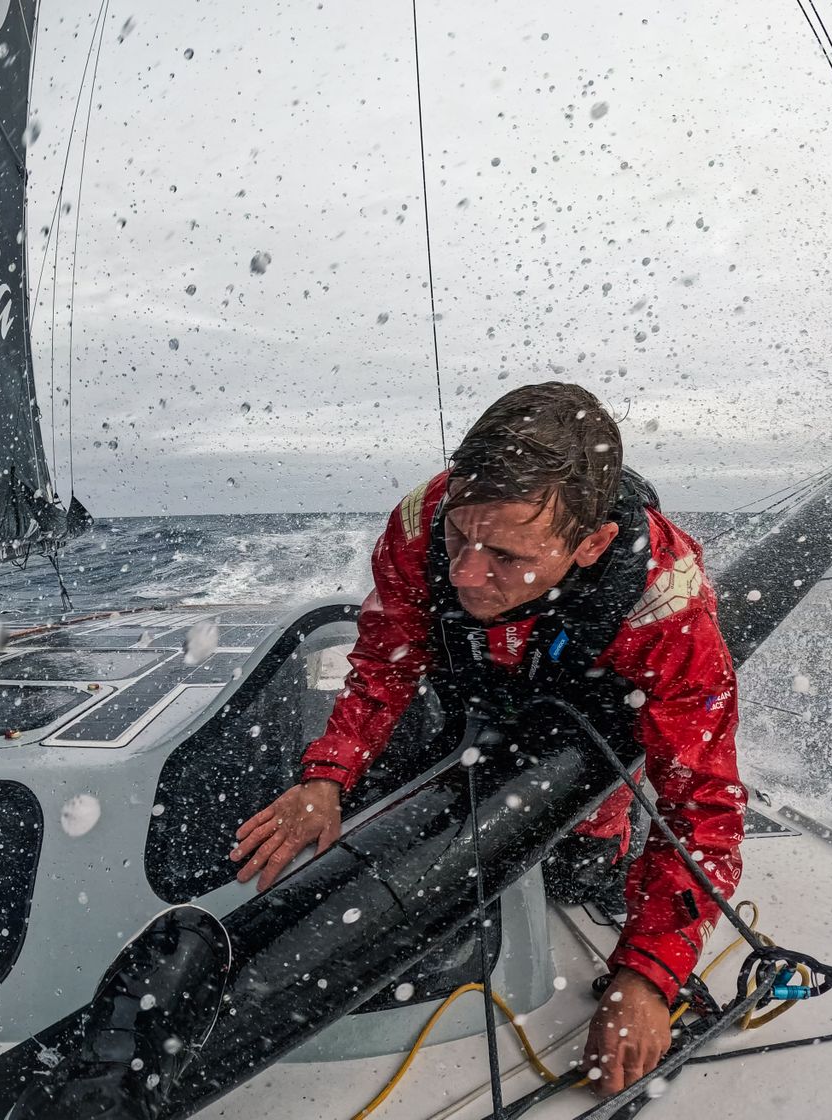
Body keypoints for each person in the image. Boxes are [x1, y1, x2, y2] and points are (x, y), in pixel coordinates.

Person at [230, 382, 744, 1097]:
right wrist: (328, 774)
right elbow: (387, 660)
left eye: (505, 555)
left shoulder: (667, 607)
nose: (467, 574)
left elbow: (703, 806)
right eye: (458, 540)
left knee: (577, 871)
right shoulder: (419, 522)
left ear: (591, 543)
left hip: (584, 702)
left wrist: (650, 977)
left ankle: (596, 842)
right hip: (471, 681)